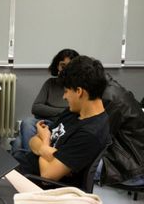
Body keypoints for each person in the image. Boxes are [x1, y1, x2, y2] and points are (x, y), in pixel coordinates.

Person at [14, 56, 110, 188]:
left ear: (79, 91)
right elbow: (32, 141)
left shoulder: (90, 133)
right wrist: (45, 150)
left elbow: (47, 176)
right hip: (23, 168)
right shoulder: (74, 111)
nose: (64, 97)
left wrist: (45, 140)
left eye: (66, 91)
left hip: (33, 185)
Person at [12, 49, 79, 152]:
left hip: (63, 126)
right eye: (63, 66)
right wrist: (62, 111)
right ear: (57, 66)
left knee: (18, 142)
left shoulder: (78, 87)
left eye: (69, 67)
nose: (65, 70)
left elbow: (74, 113)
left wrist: (49, 111)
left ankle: (30, 161)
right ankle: (31, 161)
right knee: (27, 123)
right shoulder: (50, 83)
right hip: (45, 123)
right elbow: (36, 108)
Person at [98, 74, 144, 186]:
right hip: (134, 159)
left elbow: (100, 137)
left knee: (75, 163)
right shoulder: (113, 89)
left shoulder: (110, 98)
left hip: (132, 168)